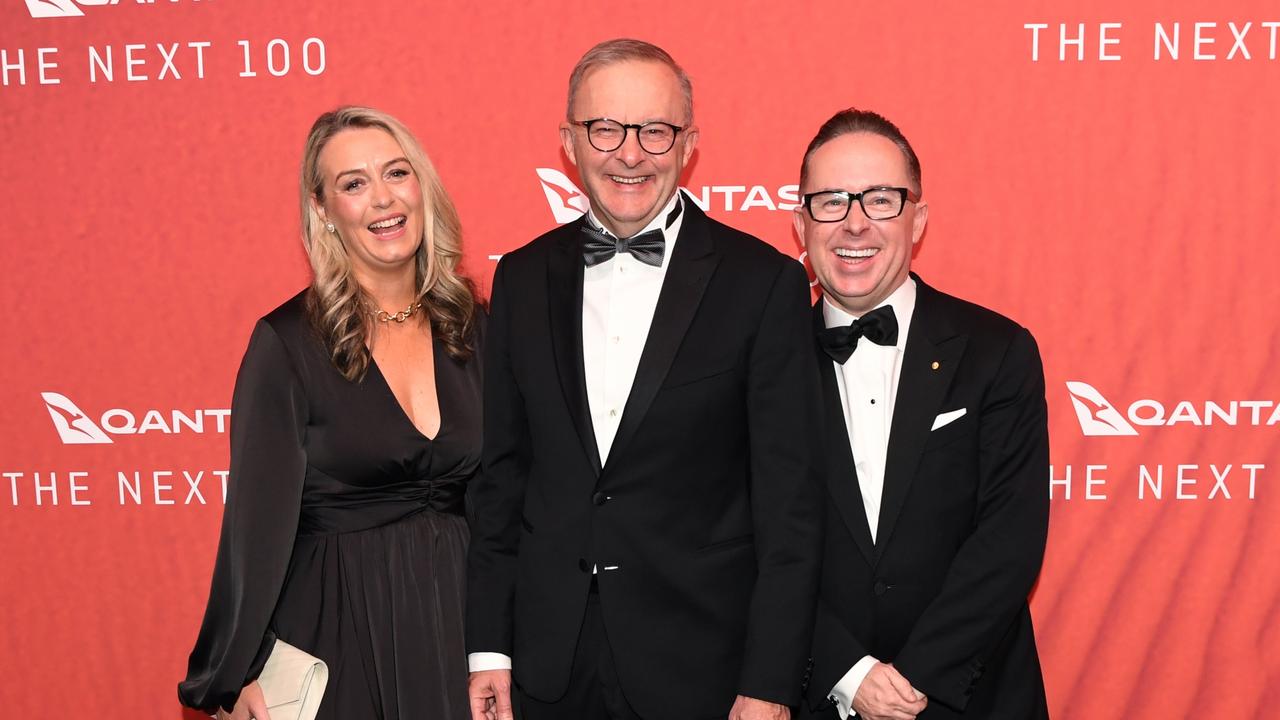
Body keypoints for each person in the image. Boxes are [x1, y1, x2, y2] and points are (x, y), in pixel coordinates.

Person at [466, 39, 823, 720]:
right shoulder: (520, 277)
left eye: (655, 130)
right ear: (568, 141)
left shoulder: (763, 282)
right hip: (549, 668)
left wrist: (772, 682)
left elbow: (791, 509)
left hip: (703, 670)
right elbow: (500, 483)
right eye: (605, 128)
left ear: (688, 143)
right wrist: (489, 650)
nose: (630, 154)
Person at [178, 106, 483, 720]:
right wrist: (237, 673)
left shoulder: (476, 327)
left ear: (422, 186)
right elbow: (254, 528)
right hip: (341, 630)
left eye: (397, 173)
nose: (382, 199)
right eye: (353, 183)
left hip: (462, 622)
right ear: (323, 211)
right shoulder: (287, 343)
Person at [793, 108, 1050, 720]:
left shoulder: (998, 351)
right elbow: (740, 540)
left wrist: (913, 681)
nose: (855, 224)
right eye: (830, 201)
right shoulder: (759, 365)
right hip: (817, 695)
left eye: (881, 200)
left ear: (920, 219)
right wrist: (848, 674)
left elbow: (1008, 540)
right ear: (800, 225)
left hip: (970, 696)